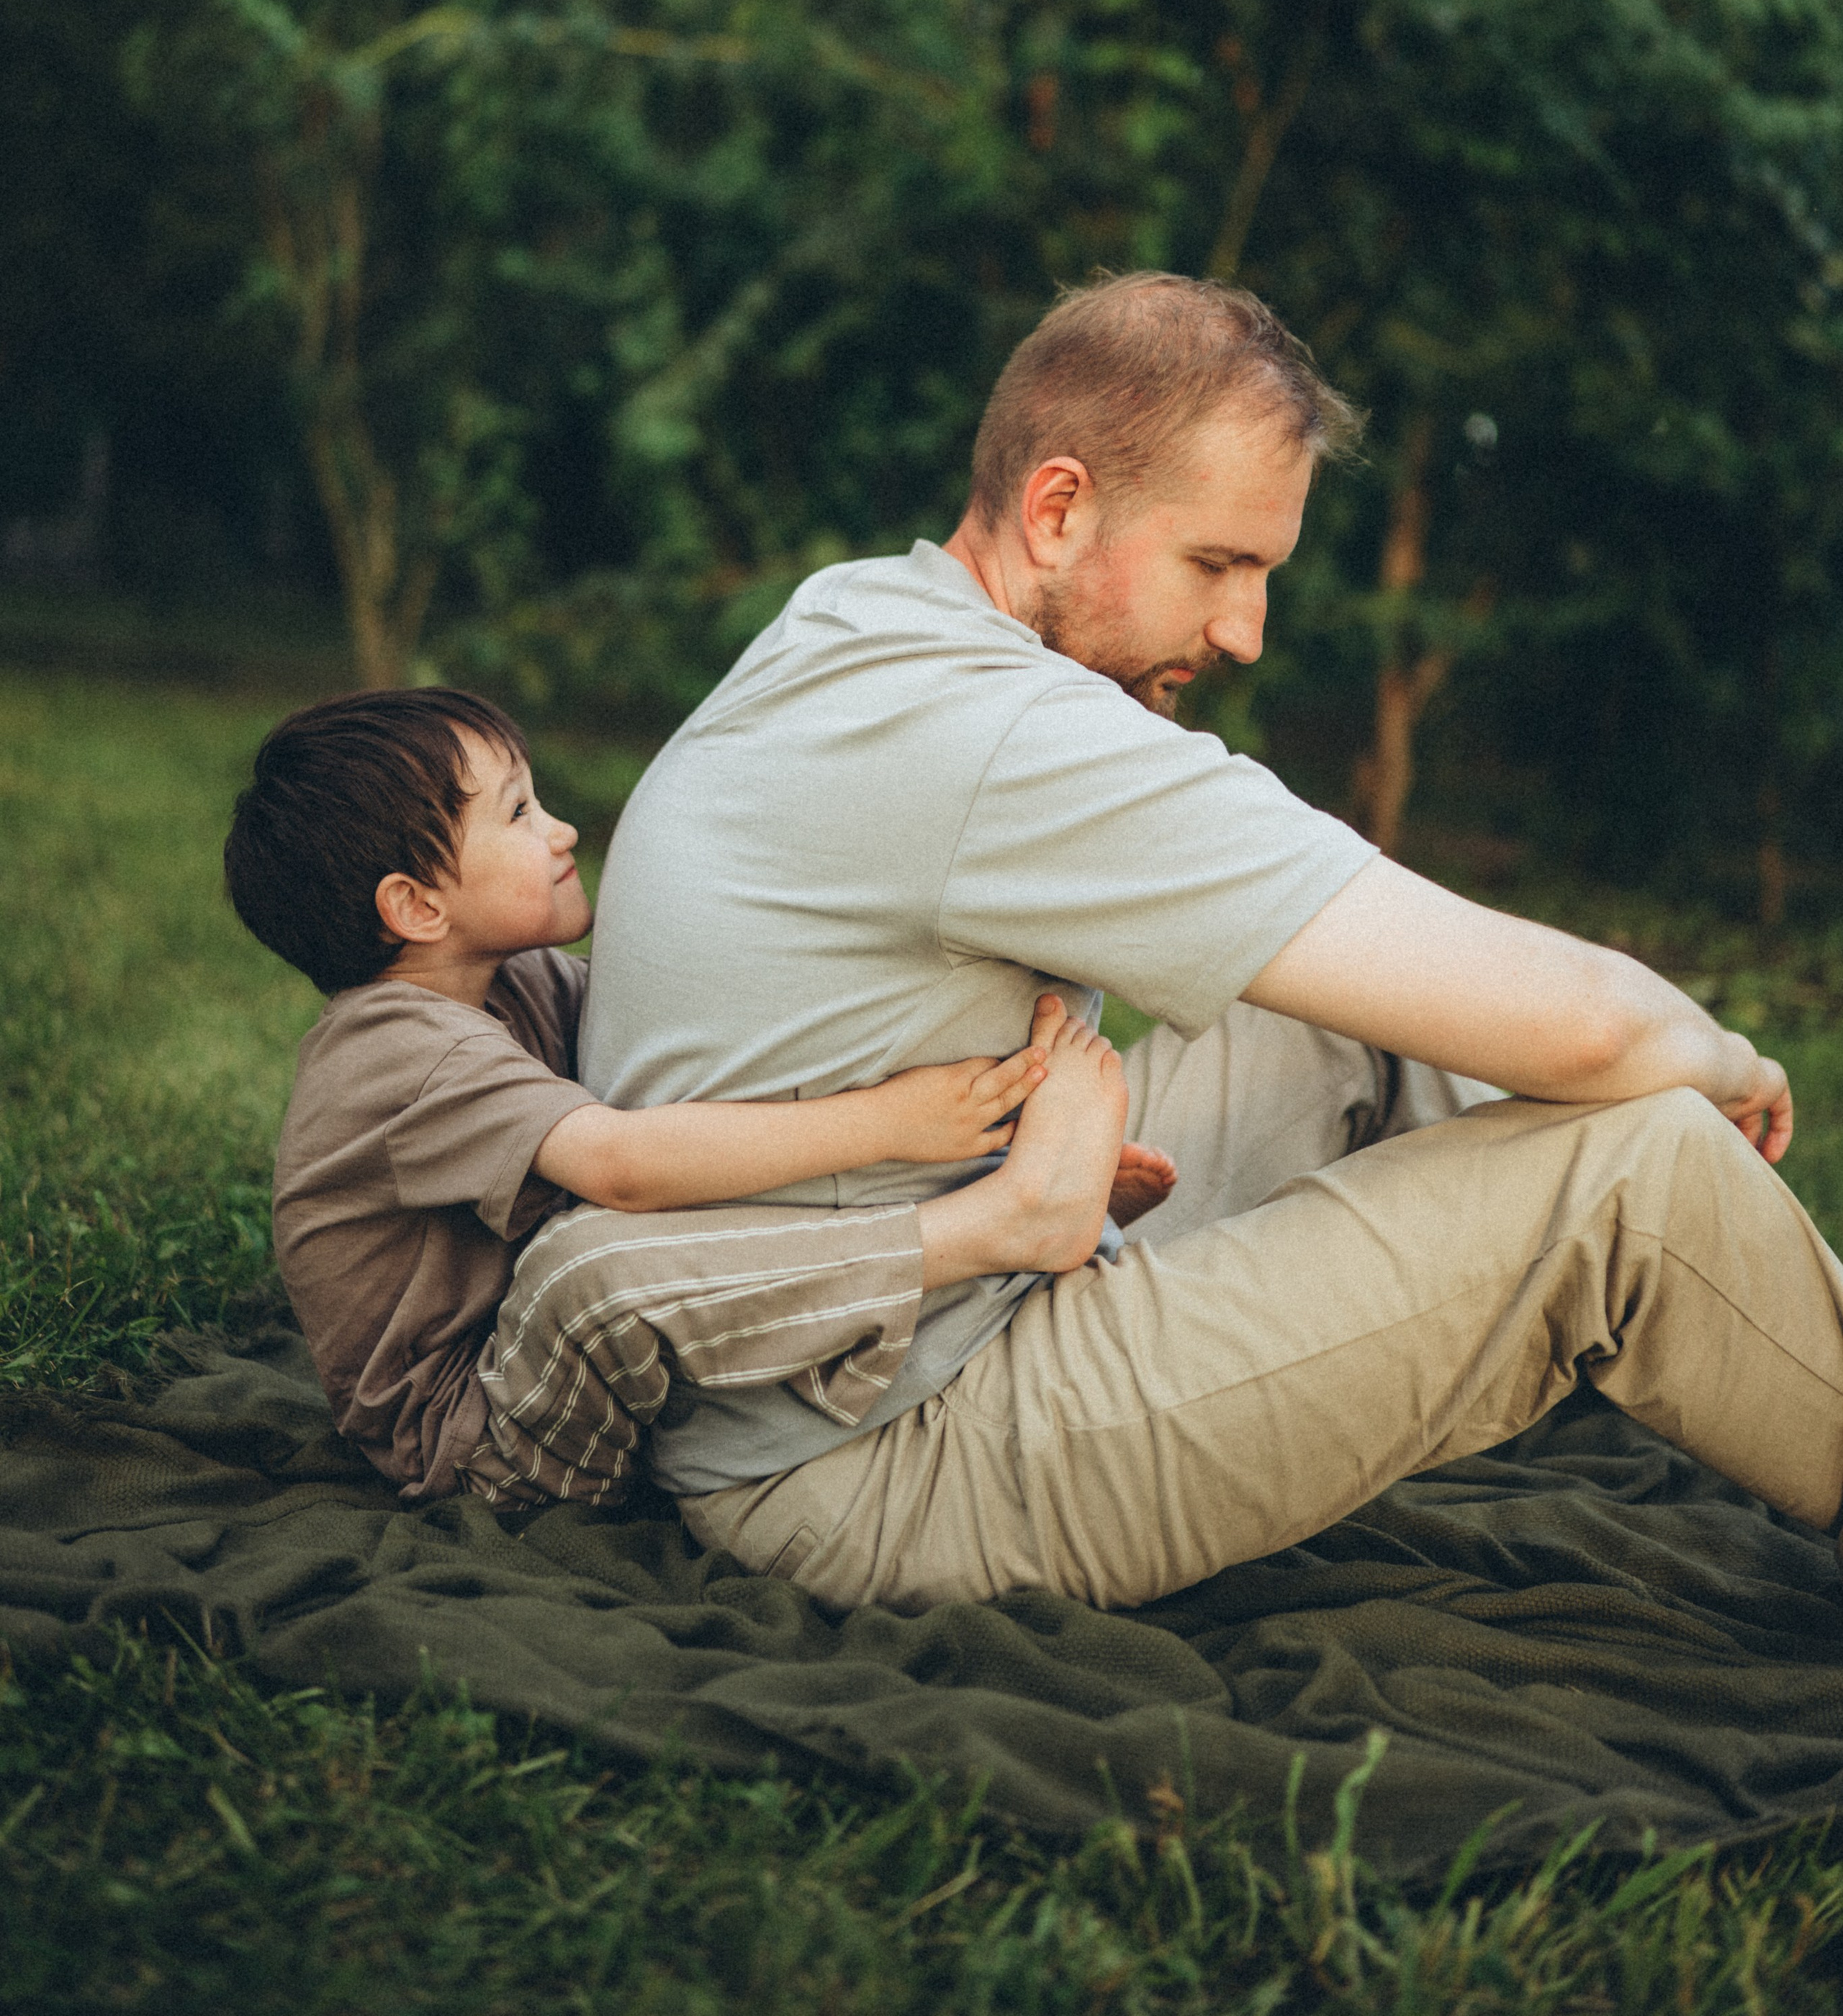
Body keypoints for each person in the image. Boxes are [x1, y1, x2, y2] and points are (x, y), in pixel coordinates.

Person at [509, 267, 1843, 1614]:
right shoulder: (1006, 737)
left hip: (914, 1305)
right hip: (879, 1454)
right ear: (1059, 508)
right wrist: (1724, 1058)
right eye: (1218, 565)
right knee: (1641, 1173)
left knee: (1348, 1006)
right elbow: (1596, 1032)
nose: (1246, 632)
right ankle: (1656, 1291)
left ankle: (1651, 1331)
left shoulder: (864, 618)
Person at [225, 685, 1158, 1506]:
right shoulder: (390, 1047)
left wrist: (963, 1135)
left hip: (576, 1374)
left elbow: (711, 1079)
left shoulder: (521, 984)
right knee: (590, 1266)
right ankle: (1002, 1225)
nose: (563, 831)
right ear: (416, 906)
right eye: (517, 814)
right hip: (484, 1444)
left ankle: (993, 1185)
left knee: (663, 1180)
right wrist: (894, 1121)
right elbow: (623, 1168)